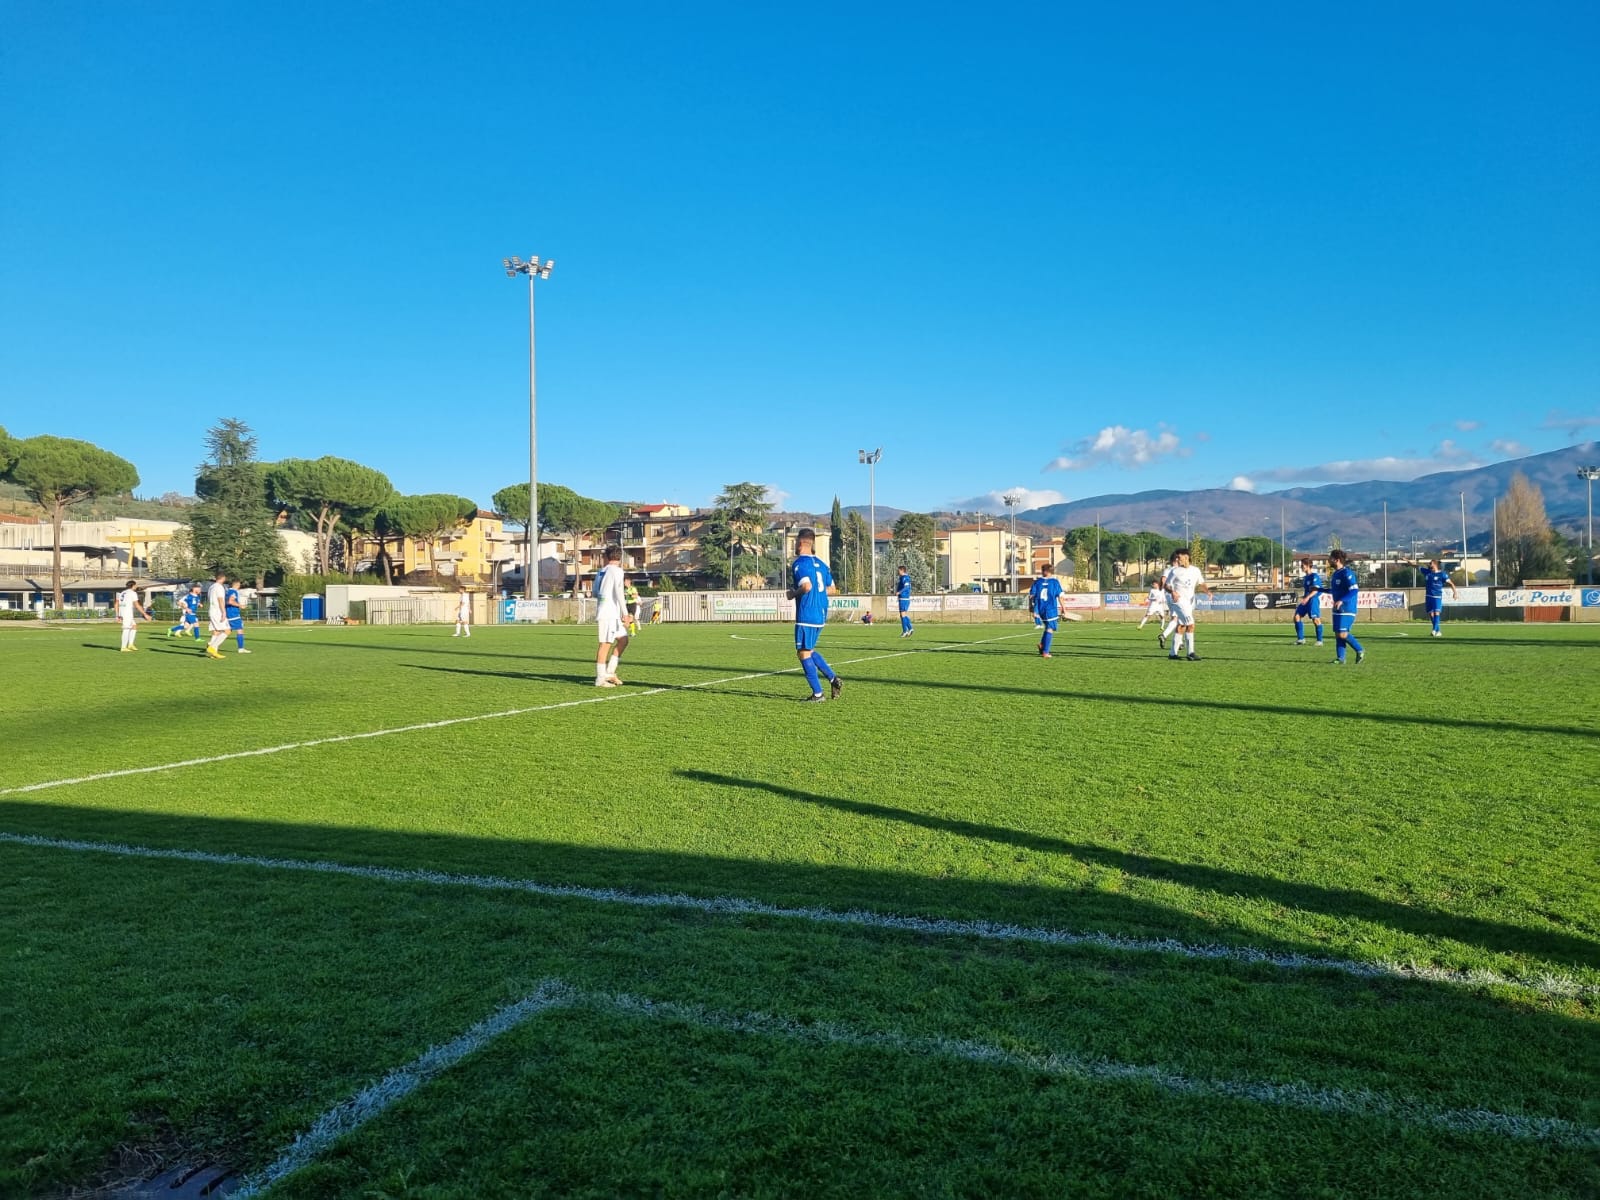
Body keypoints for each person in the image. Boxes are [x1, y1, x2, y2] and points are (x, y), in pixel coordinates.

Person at [789, 527, 841, 702]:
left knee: (803, 653)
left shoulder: (800, 564)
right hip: (821, 613)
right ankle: (833, 679)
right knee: (809, 650)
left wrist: (793, 594)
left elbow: (806, 586)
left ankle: (818, 694)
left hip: (807, 613)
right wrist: (818, 594)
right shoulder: (822, 564)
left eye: (795, 542)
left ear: (800, 542)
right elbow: (832, 589)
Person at [1163, 548, 1211, 661]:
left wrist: (1208, 591)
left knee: (1181, 626)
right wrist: (1172, 592)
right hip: (1178, 602)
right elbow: (1166, 585)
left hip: (1189, 602)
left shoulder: (1195, 570)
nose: (1177, 560)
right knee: (1191, 624)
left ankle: (1172, 654)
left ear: (1186, 557)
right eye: (1176, 558)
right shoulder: (1175, 571)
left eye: (1179, 557)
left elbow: (1201, 583)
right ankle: (1191, 653)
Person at [1321, 549, 1365, 665]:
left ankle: (1359, 650)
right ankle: (1341, 658)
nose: (1328, 560)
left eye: (1330, 558)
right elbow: (1335, 591)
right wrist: (1319, 590)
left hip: (1347, 608)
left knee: (1342, 634)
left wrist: (1341, 600)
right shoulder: (1336, 574)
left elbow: (1354, 590)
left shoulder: (1347, 573)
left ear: (1337, 560)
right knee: (1338, 634)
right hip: (1338, 608)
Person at [594, 546, 630, 687]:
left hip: (610, 612)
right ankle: (600, 679)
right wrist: (625, 614)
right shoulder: (617, 571)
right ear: (620, 557)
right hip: (608, 613)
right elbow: (619, 592)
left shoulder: (601, 571)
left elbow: (595, 592)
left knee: (623, 640)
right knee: (605, 644)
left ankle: (609, 672)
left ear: (606, 557)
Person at [1409, 558, 1458, 637]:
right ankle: (1438, 631)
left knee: (1436, 612)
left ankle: (1434, 630)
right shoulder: (1427, 572)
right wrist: (1407, 561)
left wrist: (1455, 593)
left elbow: (1451, 584)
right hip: (1428, 596)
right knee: (1431, 614)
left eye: (1430, 563)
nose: (1429, 565)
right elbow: (1416, 566)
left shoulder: (1442, 574)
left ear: (1435, 565)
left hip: (1437, 596)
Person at [1028, 562, 1064, 658]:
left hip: (1039, 609)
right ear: (1050, 571)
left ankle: (1042, 645)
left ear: (1044, 571)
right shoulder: (1054, 582)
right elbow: (1060, 596)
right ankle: (1046, 652)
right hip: (1050, 608)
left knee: (1047, 626)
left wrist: (1031, 607)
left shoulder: (1037, 582)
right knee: (1050, 628)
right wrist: (1064, 608)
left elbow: (1031, 596)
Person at [1293, 557, 1325, 647]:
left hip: (1313, 600)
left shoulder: (1314, 576)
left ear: (1307, 565)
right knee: (1297, 617)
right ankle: (1301, 639)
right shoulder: (1306, 577)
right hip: (1306, 600)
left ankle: (1319, 641)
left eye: (1302, 565)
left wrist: (1307, 597)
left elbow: (1315, 590)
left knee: (1316, 620)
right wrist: (1303, 597)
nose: (1301, 567)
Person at [116, 579, 150, 651]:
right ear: (133, 585)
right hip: (127, 613)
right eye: (136, 585)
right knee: (126, 629)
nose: (136, 586)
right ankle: (123, 647)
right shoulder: (132, 593)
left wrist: (118, 614)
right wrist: (145, 614)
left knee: (134, 626)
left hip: (123, 613)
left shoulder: (122, 592)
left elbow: (116, 604)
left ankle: (130, 644)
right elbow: (137, 605)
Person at [204, 570, 229, 660]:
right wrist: (223, 612)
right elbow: (220, 599)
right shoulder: (219, 587)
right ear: (223, 578)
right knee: (227, 630)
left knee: (216, 631)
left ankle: (214, 653)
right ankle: (212, 646)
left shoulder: (211, 587)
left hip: (212, 610)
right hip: (217, 612)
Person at [226, 578, 250, 653]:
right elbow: (230, 601)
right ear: (237, 584)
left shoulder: (227, 591)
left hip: (229, 613)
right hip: (233, 614)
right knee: (240, 630)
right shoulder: (233, 591)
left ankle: (212, 644)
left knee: (227, 631)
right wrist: (240, 605)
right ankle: (241, 648)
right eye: (239, 584)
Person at [895, 566, 914, 637]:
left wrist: (899, 592)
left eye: (899, 570)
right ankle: (910, 628)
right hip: (903, 598)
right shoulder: (902, 578)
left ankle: (905, 631)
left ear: (902, 570)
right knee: (903, 615)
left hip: (904, 598)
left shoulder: (905, 578)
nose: (898, 572)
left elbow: (906, 587)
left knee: (902, 614)